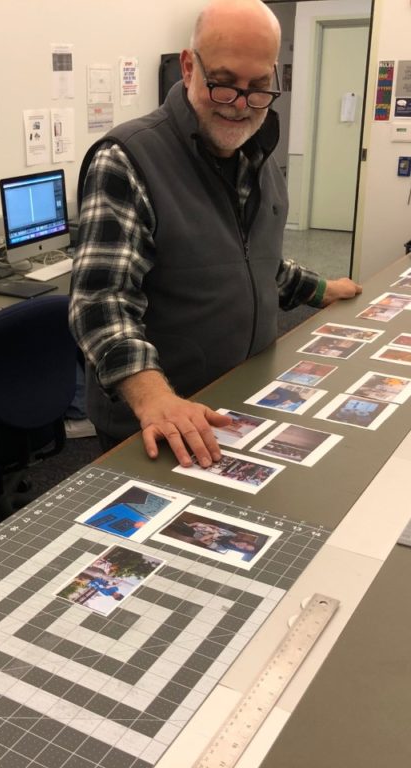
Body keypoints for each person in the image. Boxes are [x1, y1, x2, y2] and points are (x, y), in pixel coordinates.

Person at [69, 0, 361, 469]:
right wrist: (152, 398)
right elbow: (101, 301)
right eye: (223, 84)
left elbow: (252, 260)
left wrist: (321, 289)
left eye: (259, 88)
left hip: (245, 395)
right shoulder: (127, 158)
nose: (240, 106)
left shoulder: (257, 151)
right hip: (161, 419)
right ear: (188, 67)